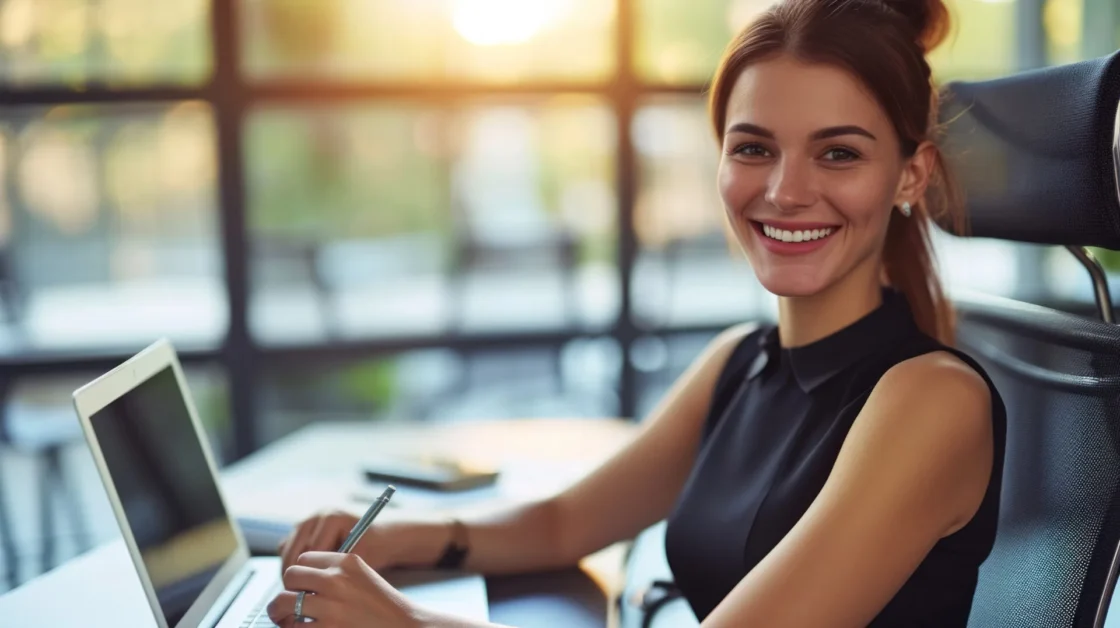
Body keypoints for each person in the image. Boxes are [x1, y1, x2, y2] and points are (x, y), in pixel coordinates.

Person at [266, 0, 1006, 625]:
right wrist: (392, 539)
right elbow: (563, 524)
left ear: (911, 175)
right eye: (753, 148)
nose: (784, 191)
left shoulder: (932, 399)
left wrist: (402, 621)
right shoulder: (741, 361)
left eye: (838, 154)